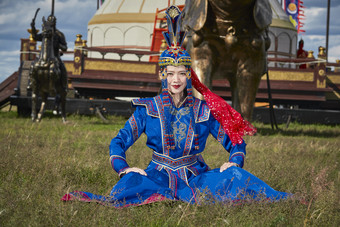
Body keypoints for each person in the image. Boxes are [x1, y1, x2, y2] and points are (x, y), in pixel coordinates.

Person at [62, 6, 291, 207]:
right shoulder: (148, 109)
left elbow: (235, 142)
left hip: (196, 175)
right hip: (157, 174)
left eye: (182, 73)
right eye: (171, 74)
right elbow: (119, 141)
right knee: (132, 182)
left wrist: (234, 161)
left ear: (189, 76)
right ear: (162, 75)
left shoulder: (203, 111)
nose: (176, 80)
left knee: (234, 176)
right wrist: (123, 168)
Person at [27, 14, 68, 93]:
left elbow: (65, 48)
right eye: (50, 21)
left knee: (63, 69)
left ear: (55, 22)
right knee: (33, 65)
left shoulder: (59, 34)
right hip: (43, 57)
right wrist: (33, 27)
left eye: (53, 21)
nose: (51, 23)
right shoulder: (44, 33)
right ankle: (31, 83)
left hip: (55, 57)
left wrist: (58, 45)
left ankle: (64, 87)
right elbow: (35, 37)